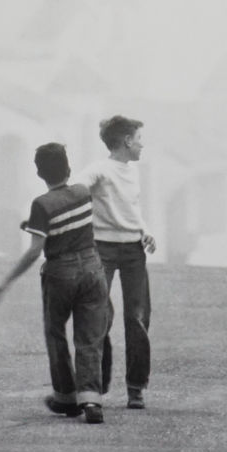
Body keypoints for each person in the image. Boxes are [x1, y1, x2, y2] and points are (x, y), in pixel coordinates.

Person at [0, 142, 109, 423]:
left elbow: (35, 249)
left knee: (55, 333)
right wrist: (32, 224)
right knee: (89, 338)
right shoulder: (82, 193)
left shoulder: (42, 205)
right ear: (68, 167)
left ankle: (66, 397)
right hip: (92, 268)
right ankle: (91, 400)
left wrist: (5, 282)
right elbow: (70, 219)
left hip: (60, 274)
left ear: (39, 173)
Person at [75, 115, 155, 410]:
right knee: (97, 316)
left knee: (137, 318)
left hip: (134, 250)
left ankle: (136, 388)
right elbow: (77, 189)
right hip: (103, 250)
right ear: (126, 141)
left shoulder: (133, 172)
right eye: (139, 139)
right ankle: (93, 386)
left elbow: (133, 210)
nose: (142, 145)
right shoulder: (99, 170)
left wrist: (145, 232)